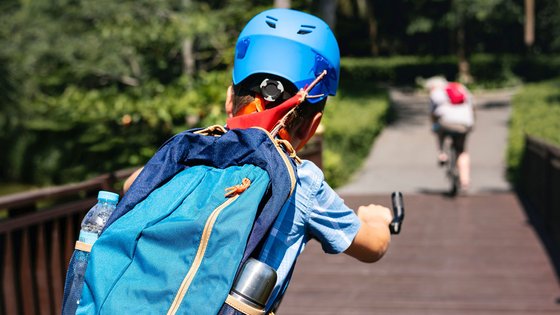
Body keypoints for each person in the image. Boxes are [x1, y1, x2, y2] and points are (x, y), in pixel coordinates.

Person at [124, 8, 392, 312]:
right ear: (312, 125)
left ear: (229, 100)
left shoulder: (192, 148)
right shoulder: (303, 183)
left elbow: (132, 185)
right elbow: (373, 246)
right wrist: (377, 220)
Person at [425, 76, 475, 191]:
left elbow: (432, 114)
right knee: (462, 150)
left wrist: (434, 125)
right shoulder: (460, 87)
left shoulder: (436, 92)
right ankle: (465, 180)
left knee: (439, 130)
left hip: (446, 123)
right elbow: (472, 106)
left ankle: (442, 154)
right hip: (464, 123)